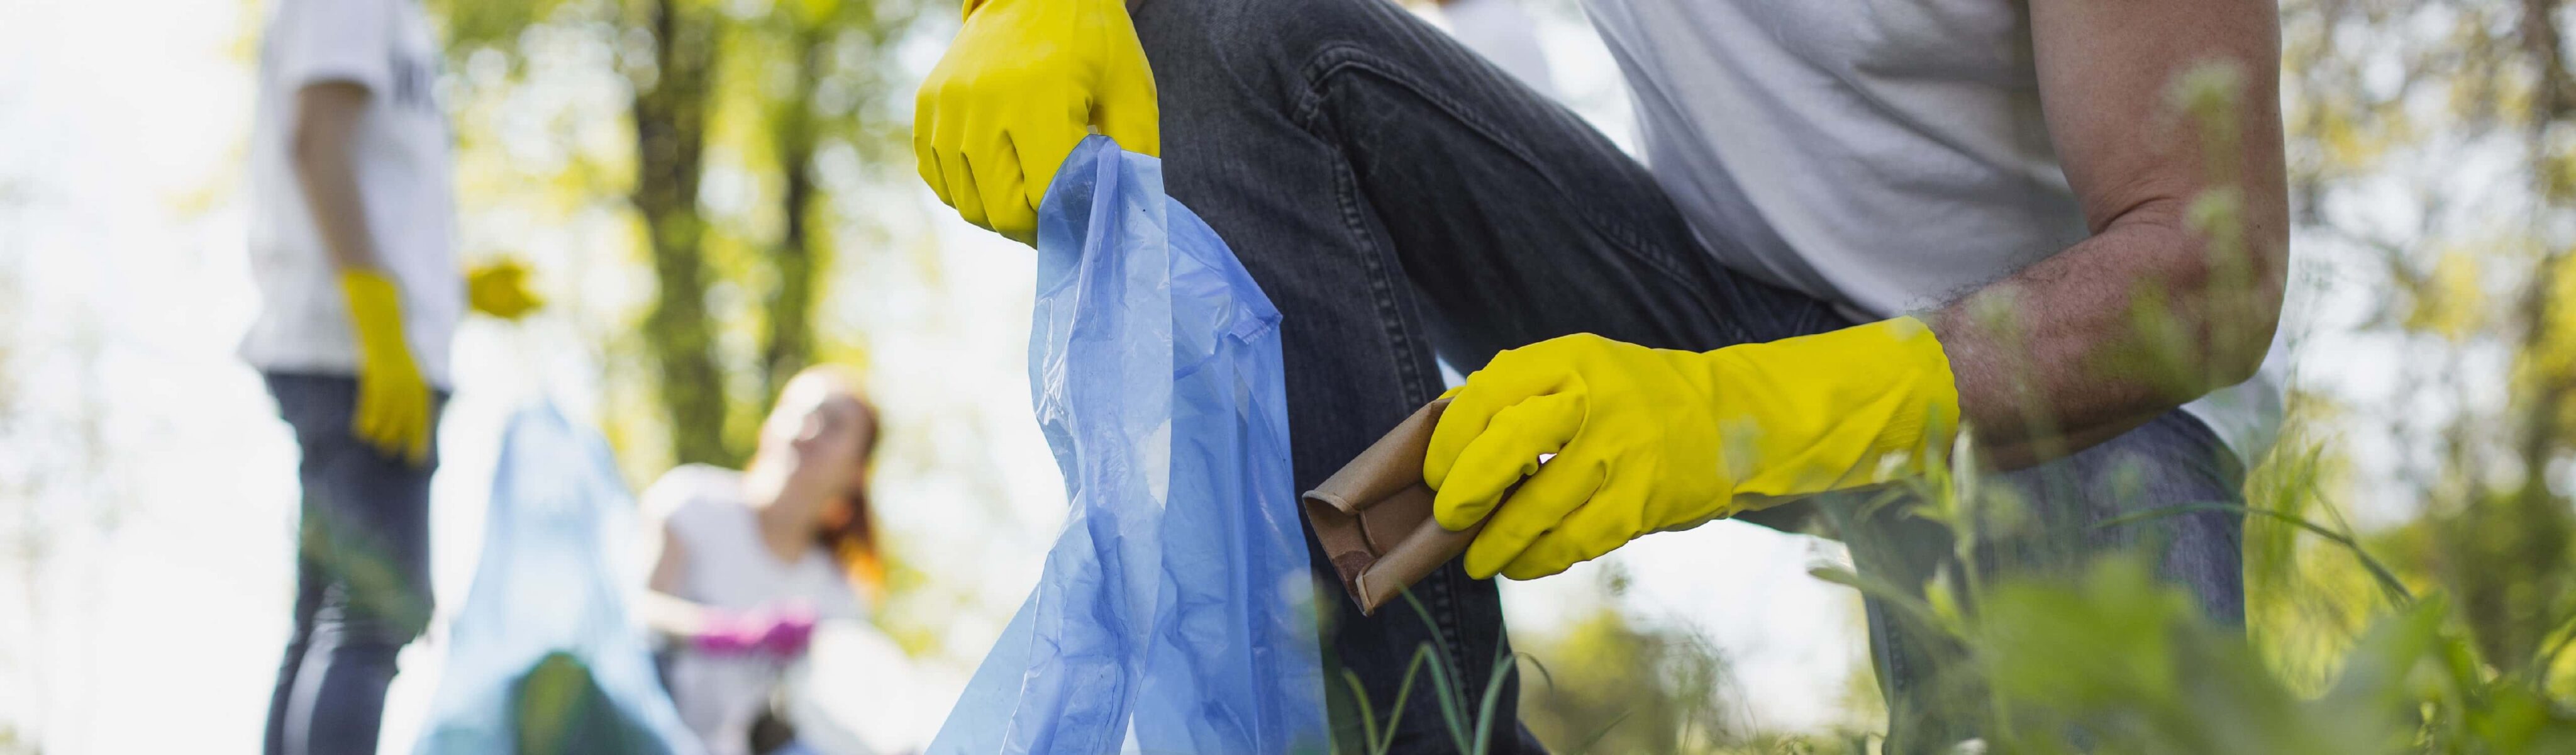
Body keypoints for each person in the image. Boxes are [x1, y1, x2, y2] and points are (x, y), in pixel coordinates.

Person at [912, 0, 2287, 751]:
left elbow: (2201, 270)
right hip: (1696, 299)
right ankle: (1409, 735)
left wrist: (1732, 424)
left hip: (2058, 396)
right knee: (1222, 37)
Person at [245, 1, 538, 752]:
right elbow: (318, 142)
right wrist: (378, 319)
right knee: (376, 617)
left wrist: (452, 284)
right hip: (359, 357)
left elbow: (374, 175)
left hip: (362, 345)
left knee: (327, 617)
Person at [640, 366, 888, 755]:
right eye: (800, 413)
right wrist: (728, 633)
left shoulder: (840, 598)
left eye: (834, 426)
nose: (808, 432)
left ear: (857, 473)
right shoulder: (691, 502)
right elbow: (634, 609)